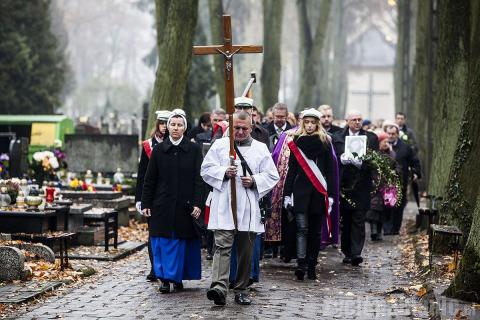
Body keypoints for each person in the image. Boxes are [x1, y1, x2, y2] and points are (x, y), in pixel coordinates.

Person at [201, 111, 279, 306]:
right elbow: (206, 169)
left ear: (251, 128)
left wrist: (254, 180)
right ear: (230, 127)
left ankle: (241, 288)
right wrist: (224, 172)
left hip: (248, 207)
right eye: (237, 128)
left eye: (245, 128)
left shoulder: (260, 149)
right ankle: (219, 287)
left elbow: (272, 175)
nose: (241, 131)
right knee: (222, 247)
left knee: (245, 251)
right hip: (224, 206)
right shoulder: (220, 146)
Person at [141, 110, 204, 293]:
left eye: (179, 125)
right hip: (162, 205)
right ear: (167, 127)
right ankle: (164, 279)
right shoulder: (159, 150)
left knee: (181, 242)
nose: (176, 128)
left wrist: (198, 203)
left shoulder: (193, 150)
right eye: (173, 125)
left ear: (185, 127)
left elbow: (199, 179)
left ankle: (177, 278)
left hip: (185, 205)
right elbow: (150, 179)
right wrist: (146, 203)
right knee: (162, 242)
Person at [283, 108, 337, 280]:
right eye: (307, 122)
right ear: (302, 123)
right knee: (301, 229)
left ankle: (312, 264)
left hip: (319, 192)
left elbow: (330, 171)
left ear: (318, 124)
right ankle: (301, 264)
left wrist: (331, 196)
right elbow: (291, 170)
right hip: (300, 192)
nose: (310, 125)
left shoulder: (326, 142)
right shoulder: (295, 142)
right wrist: (287, 194)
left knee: (314, 232)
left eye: (313, 122)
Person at [333, 110, 379, 266]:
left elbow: (375, 161)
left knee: (359, 220)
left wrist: (362, 163)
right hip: (344, 186)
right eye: (354, 119)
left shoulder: (371, 138)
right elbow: (332, 160)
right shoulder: (337, 137)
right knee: (346, 220)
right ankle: (347, 252)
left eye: (360, 119)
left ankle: (356, 253)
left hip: (361, 185)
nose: (357, 122)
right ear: (347, 121)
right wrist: (341, 160)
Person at [135, 109, 171, 281]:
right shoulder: (148, 145)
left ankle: (168, 268)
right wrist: (139, 199)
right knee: (153, 234)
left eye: (167, 123)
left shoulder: (175, 143)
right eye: (162, 123)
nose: (164, 127)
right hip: (152, 196)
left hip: (170, 196)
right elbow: (142, 174)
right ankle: (154, 268)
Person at [384, 124, 421, 235]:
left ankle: (395, 228)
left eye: (393, 134)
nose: (390, 136)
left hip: (401, 181)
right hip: (385, 182)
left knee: (398, 206)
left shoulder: (405, 147)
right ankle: (386, 228)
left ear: (397, 134)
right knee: (387, 205)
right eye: (389, 134)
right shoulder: (382, 146)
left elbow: (414, 161)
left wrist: (415, 172)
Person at [366, 132, 397, 241]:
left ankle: (379, 231)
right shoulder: (374, 154)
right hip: (375, 184)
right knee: (374, 208)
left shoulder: (391, 154)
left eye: (388, 142)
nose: (386, 143)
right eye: (384, 141)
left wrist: (389, 151)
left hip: (386, 186)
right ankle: (373, 230)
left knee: (383, 209)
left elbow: (393, 165)